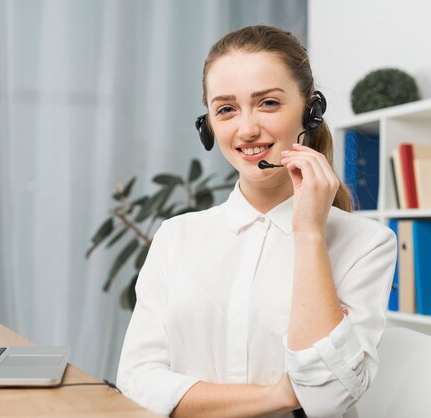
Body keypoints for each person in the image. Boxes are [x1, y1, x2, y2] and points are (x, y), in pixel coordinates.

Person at [116, 25, 397, 418]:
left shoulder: (367, 243)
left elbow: (327, 398)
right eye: (226, 109)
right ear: (208, 126)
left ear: (310, 110)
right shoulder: (176, 237)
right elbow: (137, 382)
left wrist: (311, 233)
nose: (247, 129)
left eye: (267, 103)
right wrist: (278, 395)